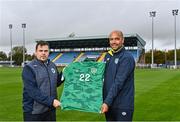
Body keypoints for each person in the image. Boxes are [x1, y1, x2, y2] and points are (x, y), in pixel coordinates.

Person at [22, 40, 63, 121]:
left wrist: (65, 73)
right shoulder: (29, 68)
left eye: (46, 51)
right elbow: (33, 92)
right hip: (34, 112)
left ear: (49, 52)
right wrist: (52, 101)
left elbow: (56, 82)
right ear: (36, 52)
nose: (43, 53)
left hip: (50, 111)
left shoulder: (52, 65)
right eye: (41, 51)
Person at [101, 30, 135, 121]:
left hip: (122, 105)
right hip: (110, 104)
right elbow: (102, 78)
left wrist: (106, 102)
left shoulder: (127, 57)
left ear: (122, 40)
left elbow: (118, 82)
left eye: (117, 39)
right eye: (111, 39)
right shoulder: (108, 56)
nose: (114, 42)